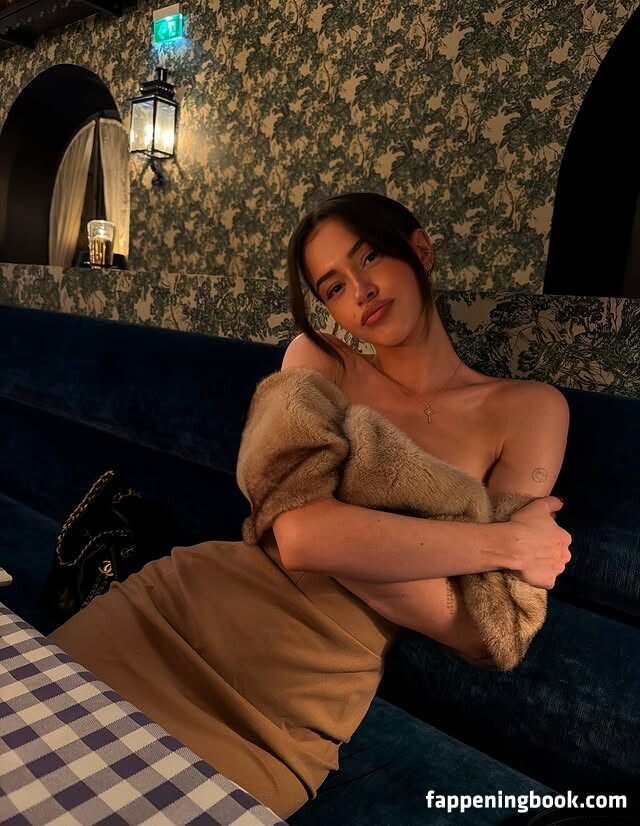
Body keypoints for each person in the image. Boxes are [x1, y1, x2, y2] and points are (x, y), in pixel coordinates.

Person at [49, 191, 572, 821]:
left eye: (370, 257)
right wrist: (504, 543)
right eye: (333, 287)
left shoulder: (529, 409)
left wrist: (333, 531)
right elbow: (298, 537)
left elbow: (491, 630)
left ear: (420, 250)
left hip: (290, 709)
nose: (360, 291)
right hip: (168, 619)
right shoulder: (320, 358)